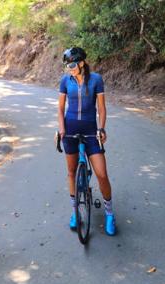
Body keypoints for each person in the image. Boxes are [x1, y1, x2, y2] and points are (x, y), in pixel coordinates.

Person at [57, 47, 116, 236]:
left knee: (101, 174)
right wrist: (61, 128)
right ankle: (75, 212)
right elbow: (60, 109)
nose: (69, 69)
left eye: (72, 65)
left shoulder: (96, 80)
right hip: (70, 129)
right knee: (71, 172)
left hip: (91, 130)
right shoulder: (65, 80)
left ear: (82, 63)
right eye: (67, 66)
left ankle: (109, 213)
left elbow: (102, 108)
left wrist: (102, 128)